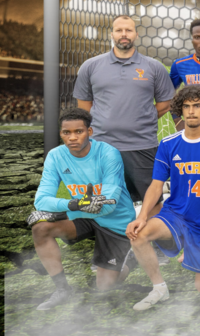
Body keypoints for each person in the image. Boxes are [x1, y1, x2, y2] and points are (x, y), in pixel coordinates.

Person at [127, 85, 200, 310]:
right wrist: (143, 216)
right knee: (139, 235)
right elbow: (156, 186)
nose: (191, 111)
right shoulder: (168, 143)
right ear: (180, 111)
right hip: (176, 214)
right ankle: (159, 288)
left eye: (197, 106)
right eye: (186, 106)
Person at [29, 107, 135, 310]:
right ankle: (62, 290)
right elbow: (41, 200)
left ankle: (131, 260)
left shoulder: (108, 154)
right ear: (61, 134)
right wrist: (72, 204)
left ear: (90, 132)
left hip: (116, 220)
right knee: (41, 228)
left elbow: (108, 205)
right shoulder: (56, 156)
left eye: (79, 131)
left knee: (103, 289)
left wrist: (66, 210)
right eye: (66, 133)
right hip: (83, 213)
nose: (72, 138)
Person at [73, 14, 176, 204]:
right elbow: (84, 107)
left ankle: (151, 235)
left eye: (128, 30)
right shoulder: (91, 66)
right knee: (101, 202)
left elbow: (165, 103)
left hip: (143, 145)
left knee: (151, 203)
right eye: (119, 30)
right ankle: (107, 234)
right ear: (111, 33)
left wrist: (142, 117)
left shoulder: (154, 67)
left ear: (136, 34)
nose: (124, 34)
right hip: (102, 146)